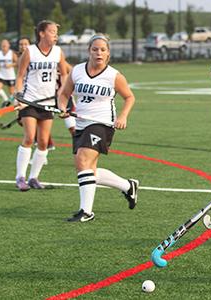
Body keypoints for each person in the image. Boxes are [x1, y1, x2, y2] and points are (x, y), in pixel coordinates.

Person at [58, 34, 138, 222]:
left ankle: (86, 212)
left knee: (83, 160)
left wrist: (123, 116)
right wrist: (63, 108)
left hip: (102, 124)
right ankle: (128, 186)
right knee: (86, 169)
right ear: (89, 51)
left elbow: (130, 97)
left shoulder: (114, 75)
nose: (99, 53)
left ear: (108, 53)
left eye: (103, 50)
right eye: (95, 49)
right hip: (81, 124)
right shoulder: (77, 71)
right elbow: (64, 94)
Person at [14, 20, 68, 191]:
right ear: (42, 33)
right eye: (52, 31)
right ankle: (20, 177)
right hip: (29, 101)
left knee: (44, 142)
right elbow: (20, 77)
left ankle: (33, 178)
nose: (55, 35)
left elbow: (65, 75)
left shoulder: (58, 52)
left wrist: (62, 97)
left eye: (56, 32)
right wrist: (19, 97)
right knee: (30, 137)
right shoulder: (30, 51)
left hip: (47, 102)